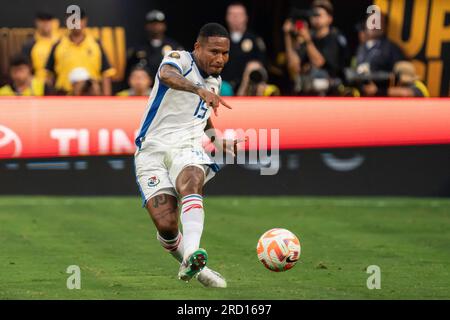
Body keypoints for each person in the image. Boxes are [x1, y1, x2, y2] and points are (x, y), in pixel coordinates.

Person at [134, 23, 240, 287]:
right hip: (152, 150)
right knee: (167, 226)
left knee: (192, 178)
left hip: (187, 146)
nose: (220, 59)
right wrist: (197, 89)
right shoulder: (179, 59)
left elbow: (200, 116)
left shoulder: (216, 82)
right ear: (197, 47)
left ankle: (193, 252)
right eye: (214, 51)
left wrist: (217, 140)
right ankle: (198, 270)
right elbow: (167, 75)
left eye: (225, 53)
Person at [284, 0, 349, 95]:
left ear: (329, 18)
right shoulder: (309, 35)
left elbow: (320, 63)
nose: (315, 18)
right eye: (313, 15)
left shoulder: (335, 37)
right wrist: (288, 37)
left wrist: (307, 40)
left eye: (319, 15)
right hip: (308, 89)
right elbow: (294, 68)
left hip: (332, 90)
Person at [45, 9, 115, 95]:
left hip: (91, 94)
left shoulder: (96, 44)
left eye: (79, 20)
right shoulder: (58, 45)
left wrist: (106, 100)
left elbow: (106, 74)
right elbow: (49, 76)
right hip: (64, 95)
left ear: (85, 21)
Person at [221, 2, 266, 91]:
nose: (235, 18)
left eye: (239, 15)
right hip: (224, 87)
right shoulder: (220, 40)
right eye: (232, 14)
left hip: (248, 89)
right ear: (226, 17)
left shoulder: (254, 39)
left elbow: (262, 65)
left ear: (246, 17)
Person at [126, 10, 183, 80]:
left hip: (168, 87)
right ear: (147, 26)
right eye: (152, 24)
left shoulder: (174, 47)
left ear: (164, 26)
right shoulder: (138, 48)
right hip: (146, 88)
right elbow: (130, 71)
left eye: (159, 24)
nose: (155, 27)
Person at [22, 12, 60, 83]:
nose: (45, 24)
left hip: (57, 84)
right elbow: (25, 67)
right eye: (42, 21)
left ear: (54, 23)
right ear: (37, 23)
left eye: (48, 21)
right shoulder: (29, 45)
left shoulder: (61, 43)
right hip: (37, 84)